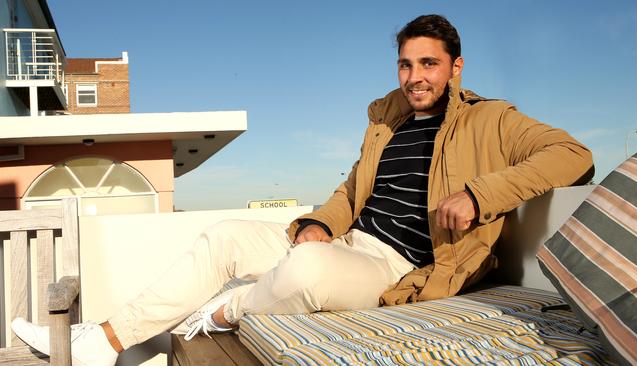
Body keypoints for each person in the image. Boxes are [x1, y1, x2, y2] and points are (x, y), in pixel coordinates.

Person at [12, 14, 593, 366]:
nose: (416, 77)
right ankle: (105, 340)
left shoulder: (490, 120)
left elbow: (575, 157)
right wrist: (319, 221)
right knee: (225, 237)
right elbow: (351, 189)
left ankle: (218, 312)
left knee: (306, 272)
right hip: (348, 241)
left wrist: (478, 193)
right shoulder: (387, 119)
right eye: (405, 64)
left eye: (429, 64)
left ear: (455, 67)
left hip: (400, 268)